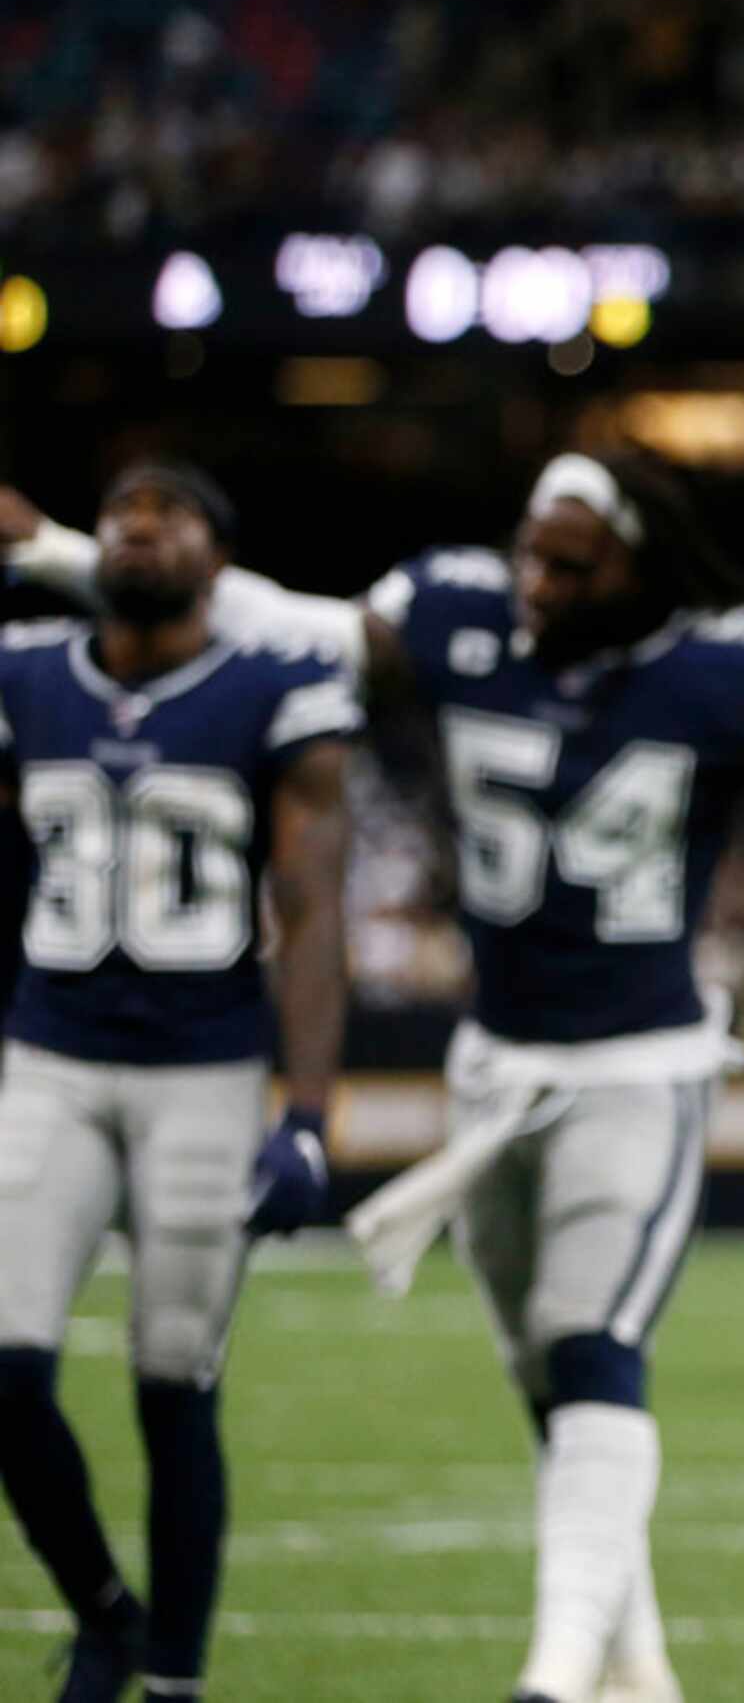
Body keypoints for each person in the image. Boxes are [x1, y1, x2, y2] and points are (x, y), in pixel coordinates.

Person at [1, 452, 744, 1703]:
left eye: (569, 565)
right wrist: (52, 551)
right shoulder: (463, 617)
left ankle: (557, 1674)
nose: (535, 583)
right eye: (528, 551)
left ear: (639, 566)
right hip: (495, 1069)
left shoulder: (727, 664)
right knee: (549, 1381)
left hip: (639, 1066)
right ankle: (636, 1669)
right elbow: (274, 617)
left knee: (593, 1353)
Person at [0, 465, 356, 1703]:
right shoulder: (26, 673)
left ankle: (173, 1679)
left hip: (203, 1068)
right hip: (51, 1050)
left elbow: (309, 908)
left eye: (172, 520)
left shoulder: (274, 688)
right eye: (121, 520)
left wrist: (307, 1114)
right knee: (5, 1363)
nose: (140, 534)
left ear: (221, 558)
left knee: (171, 1378)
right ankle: (103, 1608)